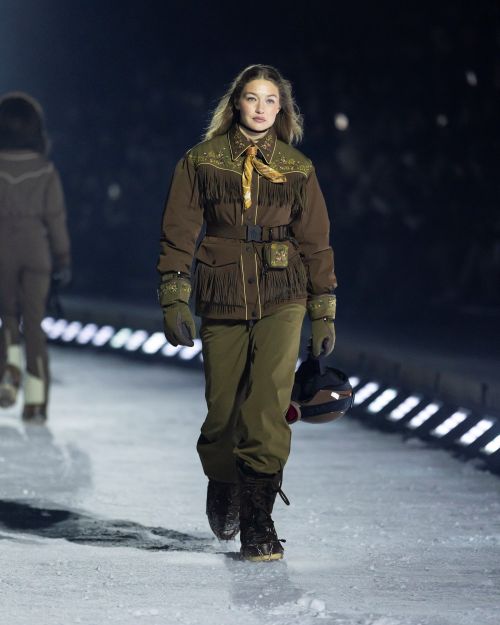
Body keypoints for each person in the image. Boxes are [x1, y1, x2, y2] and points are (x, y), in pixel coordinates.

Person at [157, 65, 336, 561]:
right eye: (253, 98)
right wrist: (174, 297)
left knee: (267, 405)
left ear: (282, 109)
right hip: (222, 289)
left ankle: (259, 521)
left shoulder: (298, 168)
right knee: (223, 411)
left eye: (270, 100)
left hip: (284, 291)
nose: (261, 108)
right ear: (236, 102)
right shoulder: (201, 160)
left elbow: (316, 242)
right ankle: (223, 478)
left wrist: (323, 310)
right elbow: (178, 232)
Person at [0, 92, 71, 424]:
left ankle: (9, 370)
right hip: (36, 251)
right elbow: (55, 219)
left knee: (7, 317)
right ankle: (36, 401)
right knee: (34, 325)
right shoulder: (46, 170)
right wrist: (63, 258)